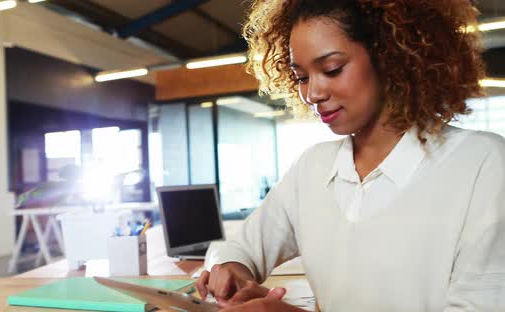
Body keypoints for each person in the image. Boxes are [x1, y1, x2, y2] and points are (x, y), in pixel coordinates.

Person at [195, 0, 505, 311]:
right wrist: (230, 269)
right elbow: (237, 248)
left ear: (390, 57)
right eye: (301, 76)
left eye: (332, 69)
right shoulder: (312, 169)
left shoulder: (482, 164)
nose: (313, 93)